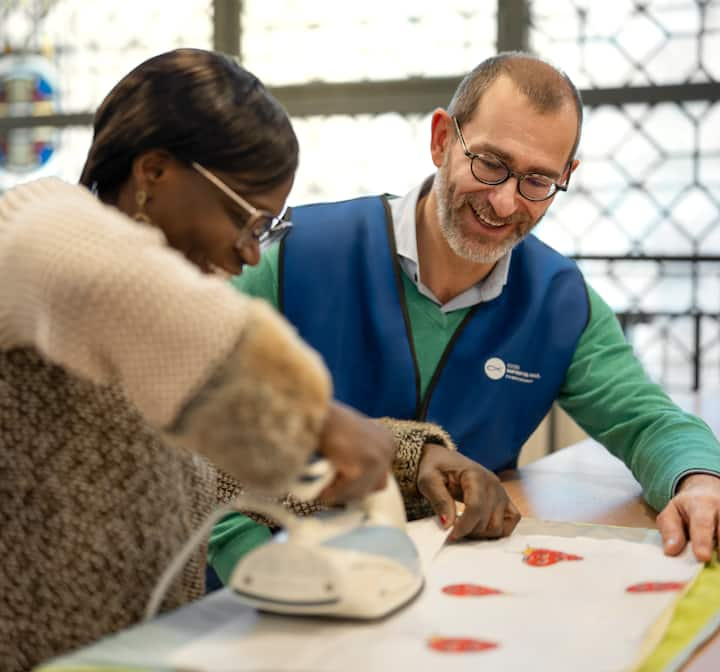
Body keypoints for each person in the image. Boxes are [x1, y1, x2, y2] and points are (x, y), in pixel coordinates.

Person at [0, 47, 432, 672]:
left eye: (266, 227)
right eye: (244, 218)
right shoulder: (34, 232)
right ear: (153, 171)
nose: (252, 253)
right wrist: (318, 416)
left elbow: (215, 476)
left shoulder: (163, 340)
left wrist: (408, 457)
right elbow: (101, 272)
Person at [227, 51, 720, 565]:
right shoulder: (292, 254)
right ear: (442, 139)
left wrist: (700, 481)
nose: (505, 203)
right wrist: (254, 572)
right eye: (490, 164)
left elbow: (645, 421)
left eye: (537, 181)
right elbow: (191, 418)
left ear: (566, 175)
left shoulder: (559, 300)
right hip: (268, 574)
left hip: (456, 586)